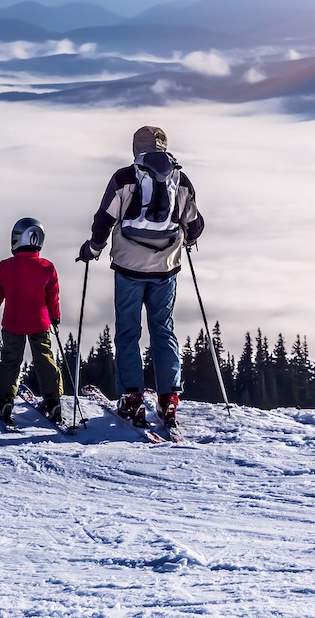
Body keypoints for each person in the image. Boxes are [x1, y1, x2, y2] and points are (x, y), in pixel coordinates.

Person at [77, 125, 204, 429]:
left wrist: (93, 248)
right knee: (163, 329)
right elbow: (194, 224)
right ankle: (169, 399)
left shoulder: (124, 178)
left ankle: (131, 398)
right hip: (166, 267)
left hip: (129, 267)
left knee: (128, 331)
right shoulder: (180, 178)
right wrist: (186, 239)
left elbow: (104, 219)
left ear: (137, 148)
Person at [0, 218, 64, 426]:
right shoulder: (47, 267)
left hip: (13, 323)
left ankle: (6, 400)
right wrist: (55, 317)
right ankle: (53, 400)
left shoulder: (6, 266)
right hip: (40, 322)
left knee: (10, 361)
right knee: (45, 359)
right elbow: (53, 298)